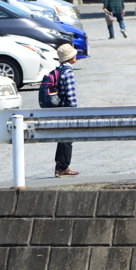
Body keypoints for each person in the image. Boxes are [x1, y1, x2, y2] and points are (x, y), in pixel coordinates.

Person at [53, 43, 79, 177]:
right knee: (67, 138)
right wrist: (74, 110)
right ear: (70, 57)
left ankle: (60, 166)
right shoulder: (68, 72)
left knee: (62, 137)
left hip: (60, 108)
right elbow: (70, 93)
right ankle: (63, 167)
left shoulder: (59, 70)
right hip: (67, 108)